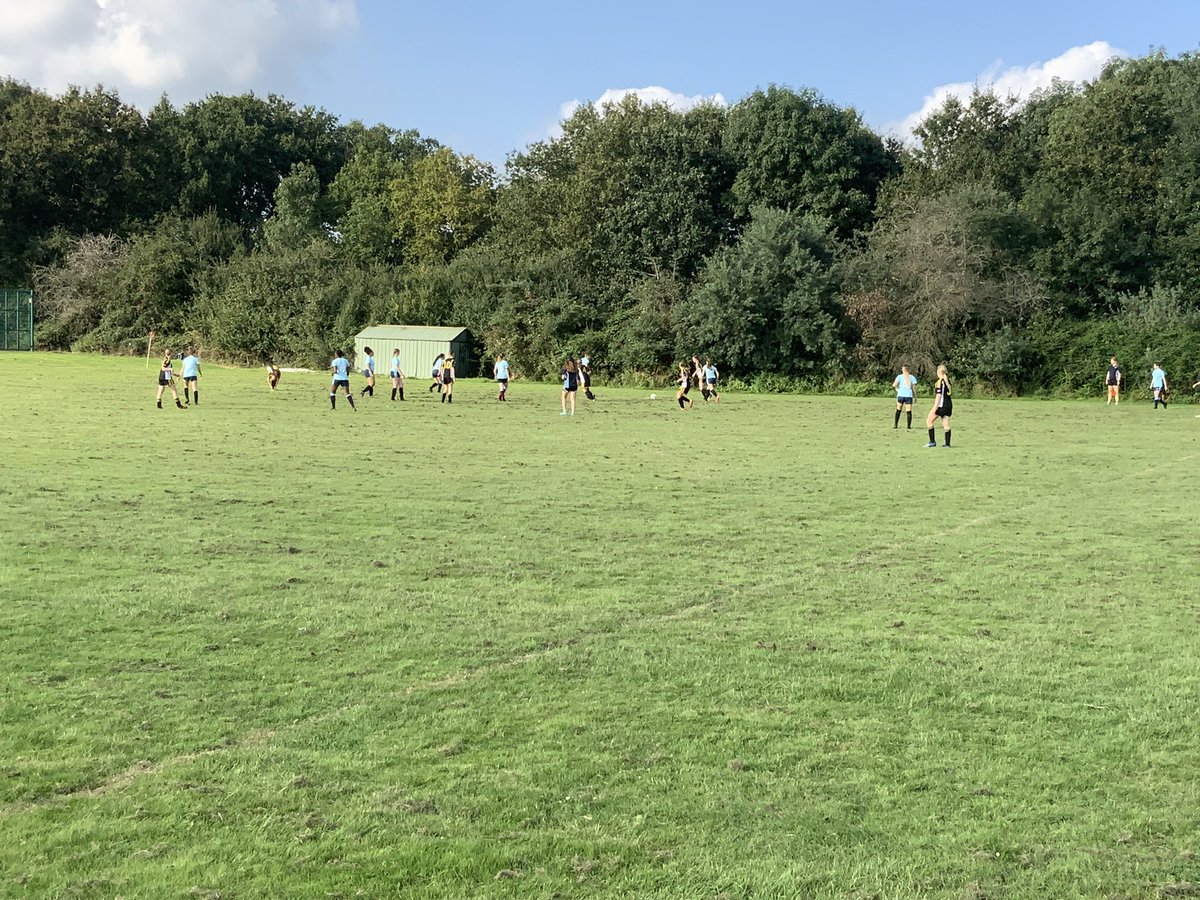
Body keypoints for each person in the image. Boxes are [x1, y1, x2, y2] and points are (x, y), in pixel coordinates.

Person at [926, 364, 952, 447]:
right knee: (946, 425)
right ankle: (947, 444)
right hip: (949, 405)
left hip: (941, 405)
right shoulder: (948, 381)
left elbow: (939, 395)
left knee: (929, 421)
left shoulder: (940, 382)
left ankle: (932, 442)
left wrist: (935, 407)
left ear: (938, 372)